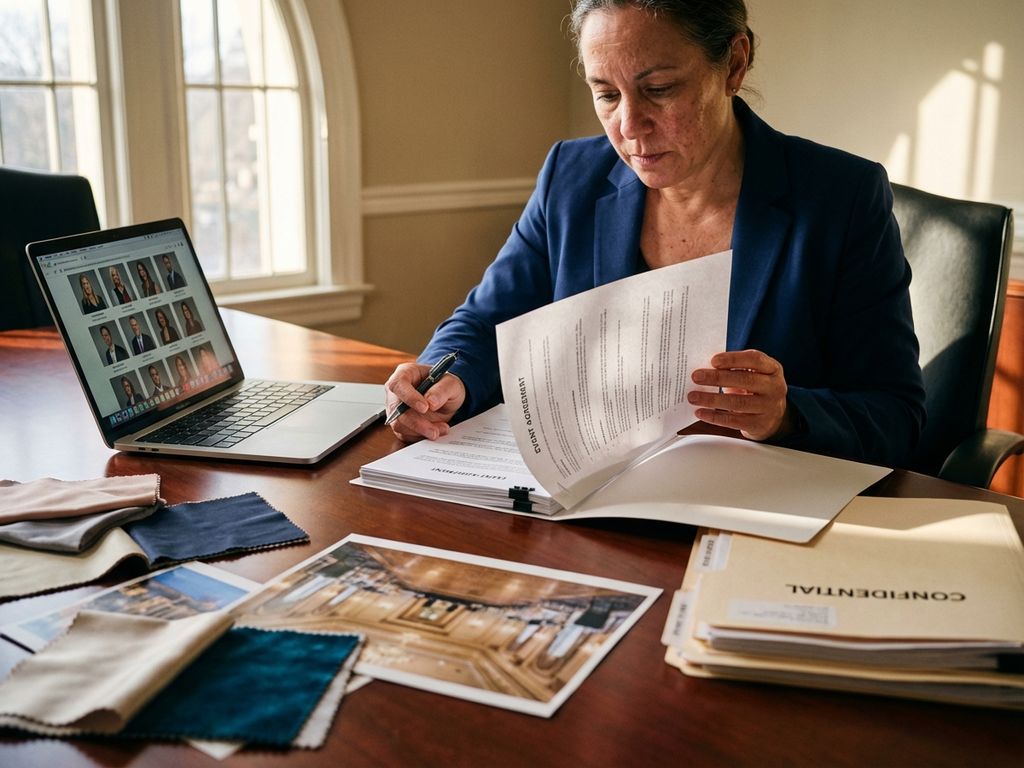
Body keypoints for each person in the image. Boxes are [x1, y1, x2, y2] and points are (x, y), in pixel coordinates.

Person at [385, 0, 925, 468]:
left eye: (659, 89)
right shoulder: (571, 177)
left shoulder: (841, 196)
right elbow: (484, 323)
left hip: (754, 517)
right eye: (606, 95)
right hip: (589, 505)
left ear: (734, 64)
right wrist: (440, 381)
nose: (630, 124)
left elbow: (897, 417)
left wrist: (785, 415)